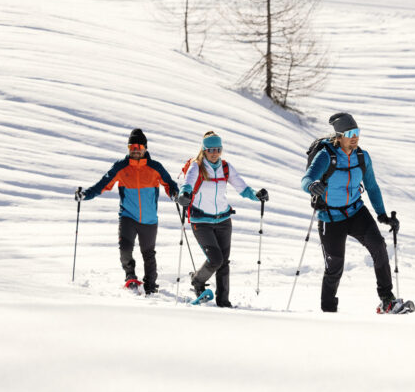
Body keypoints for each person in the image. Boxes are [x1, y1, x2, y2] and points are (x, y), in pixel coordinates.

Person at [301, 112, 401, 313]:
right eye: (350, 133)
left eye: (357, 132)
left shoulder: (362, 157)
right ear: (339, 136)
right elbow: (306, 179)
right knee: (334, 267)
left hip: (356, 212)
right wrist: (312, 186)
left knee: (379, 248)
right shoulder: (325, 156)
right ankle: (328, 311)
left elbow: (371, 187)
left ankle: (387, 299)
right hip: (330, 217)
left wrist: (382, 215)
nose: (355, 137)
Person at [75, 128, 179, 295]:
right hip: (128, 216)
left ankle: (150, 285)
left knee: (148, 254)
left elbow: (170, 184)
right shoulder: (121, 167)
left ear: (145, 148)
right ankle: (130, 276)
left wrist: (175, 194)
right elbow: (103, 184)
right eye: (132, 147)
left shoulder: (155, 167)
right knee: (125, 249)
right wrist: (85, 194)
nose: (135, 150)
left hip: (149, 219)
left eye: (138, 146)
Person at [177, 131, 269, 308]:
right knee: (215, 259)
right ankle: (197, 280)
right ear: (204, 150)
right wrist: (184, 195)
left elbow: (242, 188)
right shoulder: (196, 167)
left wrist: (257, 195)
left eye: (218, 149)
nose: (214, 153)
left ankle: (223, 301)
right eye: (211, 149)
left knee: (224, 262)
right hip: (201, 220)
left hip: (223, 220)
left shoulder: (225, 167)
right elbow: (187, 184)